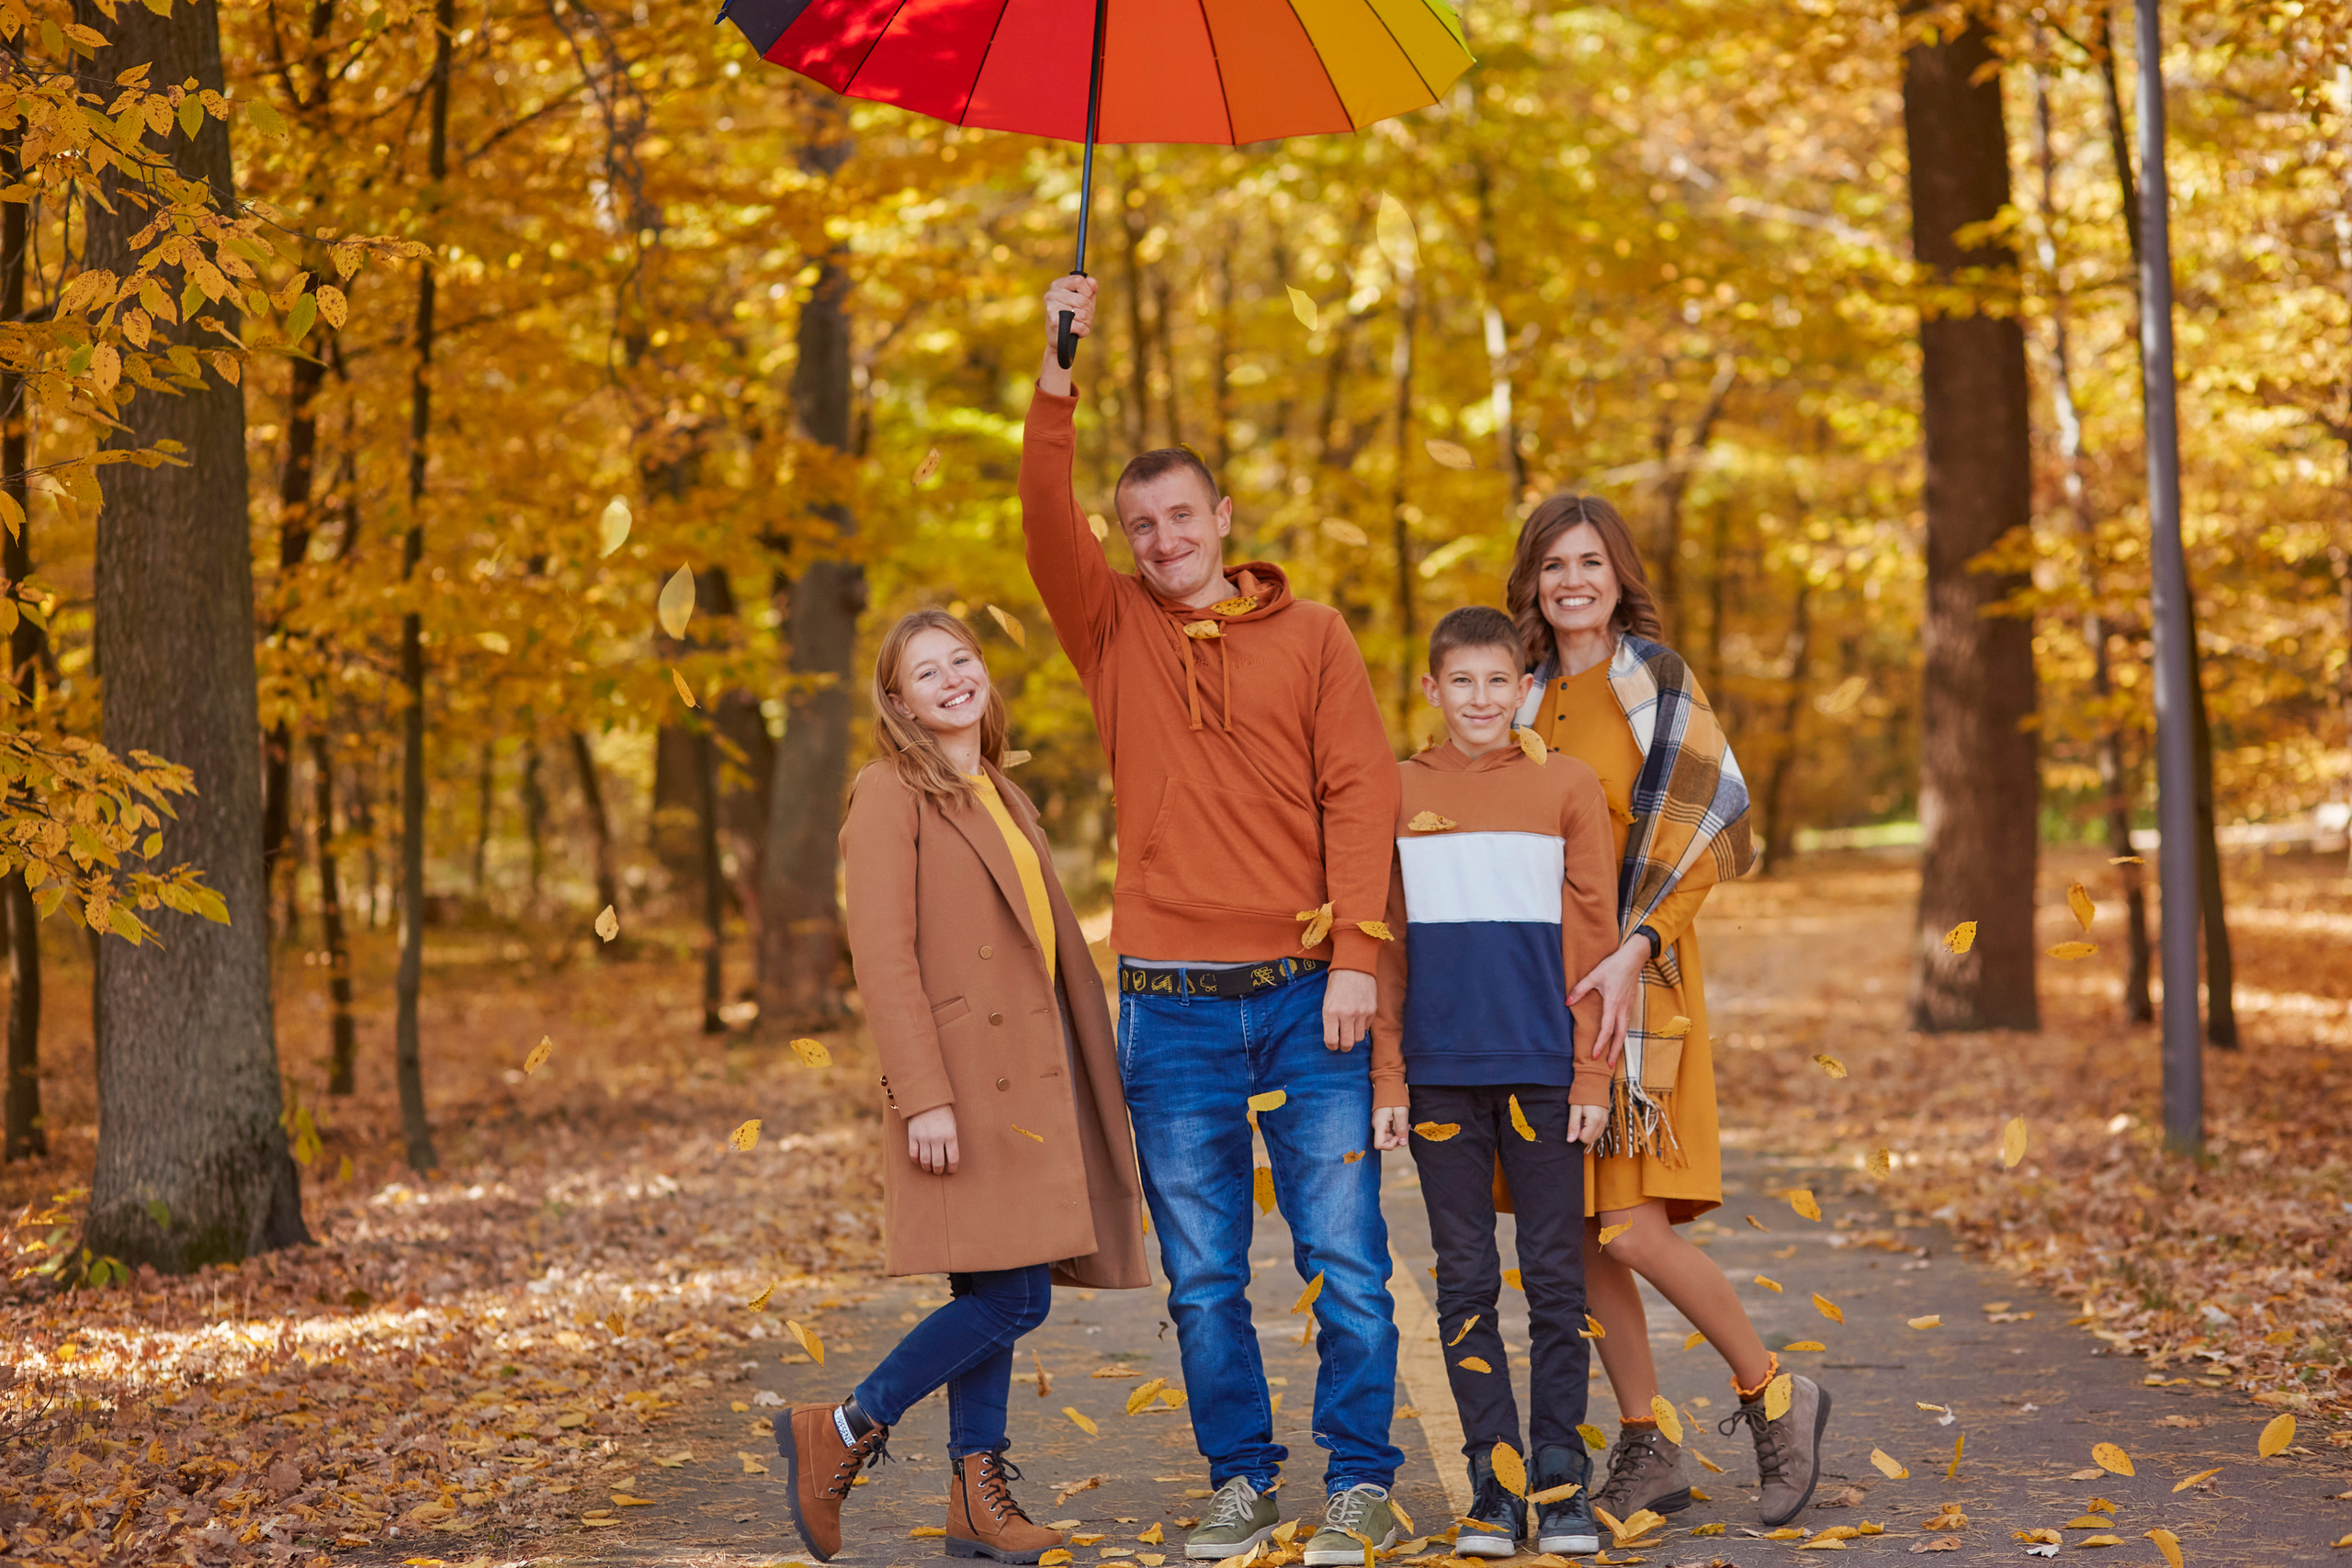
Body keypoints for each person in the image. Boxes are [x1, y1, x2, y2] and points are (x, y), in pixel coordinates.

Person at [1023, 276, 1407, 1568]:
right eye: (1140, 521)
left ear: (1224, 517)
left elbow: (1362, 796)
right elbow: (1041, 523)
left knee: (1344, 1258)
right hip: (1171, 1010)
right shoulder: (1111, 625)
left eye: (1182, 513)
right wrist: (1056, 373)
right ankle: (1240, 1479)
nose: (1162, 535)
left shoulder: (1314, 634)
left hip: (1307, 995)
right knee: (1201, 1279)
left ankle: (1361, 1479)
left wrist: (1358, 955)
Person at [777, 609, 1149, 1566]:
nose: (951, 679)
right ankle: (846, 1425)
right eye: (925, 672)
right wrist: (922, 1094)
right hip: (964, 1089)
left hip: (1030, 1081)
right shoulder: (889, 791)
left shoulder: (999, 793)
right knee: (1014, 1298)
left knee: (1001, 1283)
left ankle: (975, 1497)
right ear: (897, 701)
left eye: (962, 660)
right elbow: (883, 956)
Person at [1503, 495, 1831, 1528]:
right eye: (1553, 564)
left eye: (1589, 562)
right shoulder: (1516, 697)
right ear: (1532, 582)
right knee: (1583, 1234)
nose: (1571, 581)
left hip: (1645, 990)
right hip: (1545, 996)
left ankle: (1774, 1390)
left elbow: (1710, 841)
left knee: (1634, 1230)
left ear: (1617, 574)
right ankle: (1646, 1444)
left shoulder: (1657, 683)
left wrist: (1634, 947)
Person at [1369, 606, 1619, 1558]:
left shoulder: (1567, 787)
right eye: (1459, 682)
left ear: (1527, 689)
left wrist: (1591, 1069)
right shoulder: (1393, 791)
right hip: (1436, 1080)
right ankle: (1492, 1480)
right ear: (1431, 690)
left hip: (1548, 1074)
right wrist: (1388, 1075)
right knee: (1465, 1282)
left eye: (1497, 681)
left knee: (1556, 1280)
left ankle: (1557, 1477)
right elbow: (1382, 945)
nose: (1480, 698)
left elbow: (1594, 941)